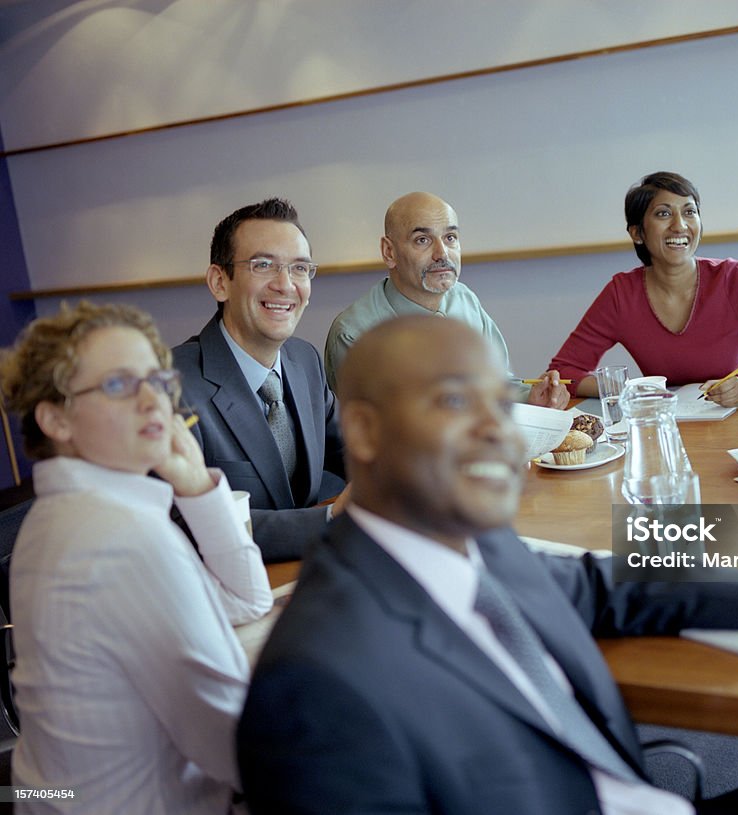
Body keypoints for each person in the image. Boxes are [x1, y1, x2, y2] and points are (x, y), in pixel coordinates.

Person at [237, 315, 738, 815]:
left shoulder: (473, 540)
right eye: (456, 401)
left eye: (501, 400)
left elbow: (606, 579)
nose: (501, 430)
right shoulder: (316, 688)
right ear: (362, 430)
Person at [0, 301, 272, 814]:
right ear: (56, 418)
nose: (155, 403)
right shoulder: (120, 537)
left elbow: (246, 600)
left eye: (158, 381)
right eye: (119, 386)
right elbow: (241, 750)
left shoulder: (57, 514)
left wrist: (195, 485)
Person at [550, 172, 738, 407]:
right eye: (663, 214)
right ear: (637, 233)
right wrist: (622, 386)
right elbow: (564, 372)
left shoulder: (733, 278)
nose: (680, 225)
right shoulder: (621, 294)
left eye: (690, 212)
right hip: (670, 426)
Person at [174, 198, 347, 562]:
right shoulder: (170, 387)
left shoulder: (304, 360)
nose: (285, 285)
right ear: (219, 282)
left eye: (300, 268)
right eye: (264, 265)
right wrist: (332, 521)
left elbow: (352, 451)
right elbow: (187, 526)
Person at [323, 191, 569, 408]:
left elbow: (497, 384)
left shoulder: (464, 298)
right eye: (423, 240)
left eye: (450, 238)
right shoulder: (354, 333)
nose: (442, 254)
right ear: (389, 252)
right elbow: (361, 439)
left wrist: (530, 398)